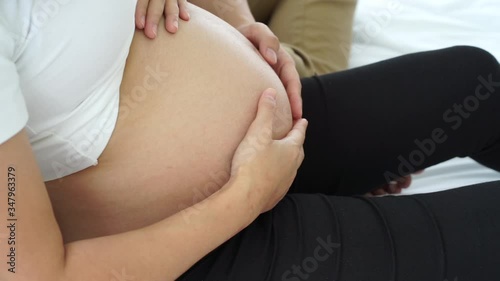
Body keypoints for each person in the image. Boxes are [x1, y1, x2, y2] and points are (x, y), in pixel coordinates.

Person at [1, 1, 500, 281]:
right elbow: (33, 275)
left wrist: (238, 23)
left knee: (473, 81)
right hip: (186, 243)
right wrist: (245, 199)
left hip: (270, 145)